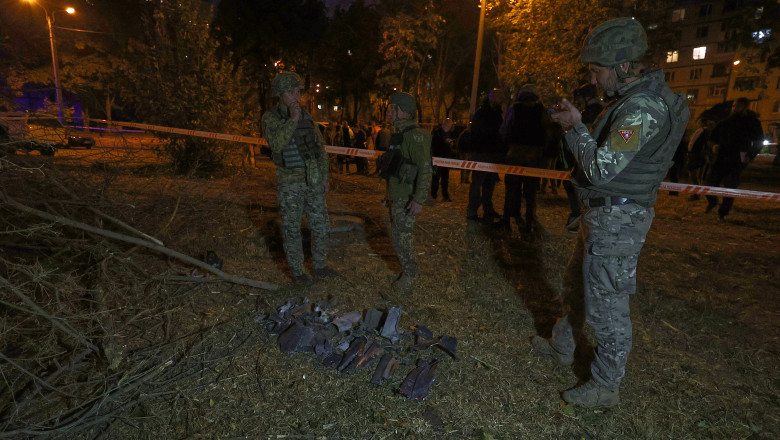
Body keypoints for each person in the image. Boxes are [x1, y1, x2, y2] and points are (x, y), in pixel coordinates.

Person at [536, 18, 689, 408]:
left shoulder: (643, 109)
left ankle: (606, 386)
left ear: (622, 66)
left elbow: (602, 168)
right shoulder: (631, 102)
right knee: (577, 287)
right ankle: (562, 347)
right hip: (603, 216)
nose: (593, 76)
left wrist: (575, 128)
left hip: (618, 221)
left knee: (608, 306)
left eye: (597, 68)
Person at [262, 72, 340, 286]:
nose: (296, 95)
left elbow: (319, 148)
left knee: (321, 226)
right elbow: (276, 144)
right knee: (292, 228)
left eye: (298, 91)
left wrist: (324, 176)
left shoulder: (307, 116)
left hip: (312, 180)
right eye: (290, 91)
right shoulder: (271, 118)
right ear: (280, 94)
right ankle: (297, 271)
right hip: (290, 184)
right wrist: (293, 120)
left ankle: (319, 266)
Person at [378, 92, 432, 297]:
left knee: (402, 237)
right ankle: (406, 272)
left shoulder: (416, 136)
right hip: (398, 196)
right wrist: (389, 195)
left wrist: (419, 199)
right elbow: (395, 167)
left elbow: (425, 169)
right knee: (398, 235)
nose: (389, 112)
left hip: (408, 197)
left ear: (404, 112)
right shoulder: (398, 134)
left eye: (393, 108)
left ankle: (410, 274)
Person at [499, 85, 548, 233]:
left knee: (511, 189)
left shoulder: (513, 110)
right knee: (531, 190)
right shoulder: (541, 110)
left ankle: (507, 218)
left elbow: (503, 130)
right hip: (534, 155)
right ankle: (529, 220)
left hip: (515, 153)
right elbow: (546, 131)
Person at [704, 97, 763, 219]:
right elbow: (711, 139)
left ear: (746, 107)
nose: (735, 108)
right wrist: (714, 145)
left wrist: (750, 155)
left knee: (730, 186)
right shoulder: (724, 122)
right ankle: (712, 201)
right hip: (721, 158)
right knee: (709, 183)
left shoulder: (752, 123)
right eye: (734, 106)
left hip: (738, 158)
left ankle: (723, 212)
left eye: (738, 106)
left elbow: (759, 142)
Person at [564, 83, 605, 233]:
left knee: (575, 185)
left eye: (580, 97)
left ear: (586, 97)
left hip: (587, 157)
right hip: (595, 157)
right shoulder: (602, 109)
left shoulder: (589, 113)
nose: (578, 101)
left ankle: (577, 217)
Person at [466, 89, 505, 221]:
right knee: (478, 182)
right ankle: (472, 210)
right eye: (497, 96)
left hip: (493, 153)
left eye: (500, 96)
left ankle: (488, 209)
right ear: (491, 97)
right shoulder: (482, 113)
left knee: (489, 183)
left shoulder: (497, 113)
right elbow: (478, 132)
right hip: (482, 152)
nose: (500, 98)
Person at [685, 116, 716, 201]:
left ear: (702, 123)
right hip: (697, 154)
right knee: (698, 175)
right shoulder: (704, 131)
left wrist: (694, 153)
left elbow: (699, 143)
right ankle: (698, 193)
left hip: (697, 154)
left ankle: (697, 194)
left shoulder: (703, 131)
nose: (696, 123)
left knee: (694, 174)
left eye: (698, 122)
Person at [430, 118, 457, 202]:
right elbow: (434, 144)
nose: (449, 127)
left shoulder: (451, 133)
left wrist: (452, 144)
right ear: (443, 125)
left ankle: (445, 195)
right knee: (436, 177)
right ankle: (434, 194)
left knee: (445, 178)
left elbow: (454, 143)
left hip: (446, 158)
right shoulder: (437, 132)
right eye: (447, 125)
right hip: (437, 158)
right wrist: (444, 142)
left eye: (450, 126)